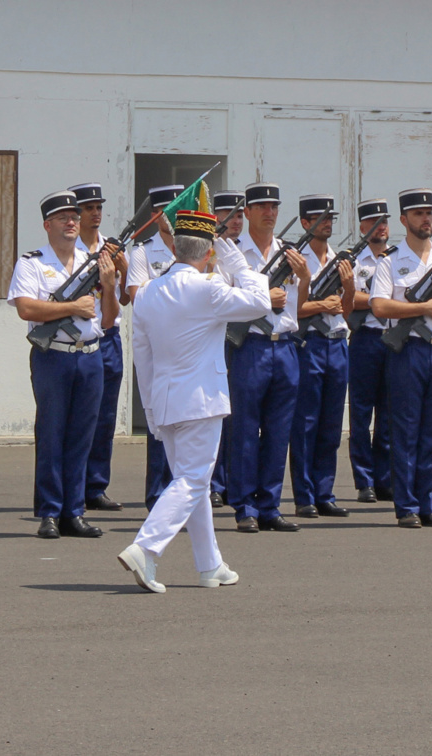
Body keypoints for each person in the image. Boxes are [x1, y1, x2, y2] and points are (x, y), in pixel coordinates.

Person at [118, 210, 272, 593]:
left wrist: (149, 408)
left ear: (175, 248)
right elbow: (261, 302)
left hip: (165, 400)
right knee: (192, 480)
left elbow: (142, 355)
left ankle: (210, 565)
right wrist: (238, 264)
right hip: (201, 401)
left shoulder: (148, 292)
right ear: (208, 253)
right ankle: (145, 547)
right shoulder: (208, 289)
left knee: (194, 482)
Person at [8, 191, 118, 538]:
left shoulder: (93, 262)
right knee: (52, 434)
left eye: (74, 217)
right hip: (53, 356)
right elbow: (26, 308)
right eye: (63, 218)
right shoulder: (32, 263)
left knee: (83, 436)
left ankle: (74, 511)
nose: (71, 222)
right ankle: (50, 512)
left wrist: (109, 286)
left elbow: (109, 320)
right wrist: (71, 308)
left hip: (90, 356)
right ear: (47, 225)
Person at [369, 188, 432, 529]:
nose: (426, 219)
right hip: (409, 350)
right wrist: (422, 307)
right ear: (404, 219)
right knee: (406, 430)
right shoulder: (390, 261)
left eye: (428, 213)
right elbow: (380, 306)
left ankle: (427, 503)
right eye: (418, 214)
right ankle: (406, 505)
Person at [225, 182, 310, 533]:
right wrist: (261, 299)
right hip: (250, 346)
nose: (269, 212)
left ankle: (270, 505)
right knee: (245, 429)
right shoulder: (232, 253)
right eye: (261, 206)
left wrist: (304, 277)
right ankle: (245, 506)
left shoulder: (289, 253)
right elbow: (222, 300)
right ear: (246, 212)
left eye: (273, 206)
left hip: (285, 346)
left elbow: (299, 306)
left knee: (279, 430)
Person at [290, 194, 353, 519]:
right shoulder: (296, 260)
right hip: (310, 343)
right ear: (305, 222)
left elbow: (347, 308)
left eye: (330, 218)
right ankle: (304, 496)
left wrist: (349, 285)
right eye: (320, 218)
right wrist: (320, 305)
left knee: (331, 423)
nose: (327, 223)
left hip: (337, 343)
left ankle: (324, 493)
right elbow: (291, 309)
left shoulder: (338, 258)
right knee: (306, 423)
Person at [126, 184, 183, 509]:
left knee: (187, 420)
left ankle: (183, 495)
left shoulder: (192, 247)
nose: (171, 217)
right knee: (158, 418)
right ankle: (158, 497)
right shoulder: (143, 252)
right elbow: (137, 296)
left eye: (176, 210)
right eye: (165, 211)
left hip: (188, 346)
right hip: (157, 348)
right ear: (154, 216)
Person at [73, 182, 128, 513]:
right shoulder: (72, 251)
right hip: (81, 336)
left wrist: (122, 267)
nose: (95, 214)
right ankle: (74, 486)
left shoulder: (111, 248)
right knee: (81, 418)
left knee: (105, 417)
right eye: (88, 208)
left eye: (98, 208)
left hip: (109, 338)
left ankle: (96, 486)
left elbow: (125, 298)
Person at [347, 199, 395, 504]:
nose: (381, 227)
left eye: (384, 222)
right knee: (361, 413)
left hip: (393, 339)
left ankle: (385, 478)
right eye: (374, 223)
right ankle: (364, 480)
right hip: (365, 339)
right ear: (363, 227)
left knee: (389, 413)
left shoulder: (397, 258)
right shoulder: (354, 260)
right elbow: (349, 298)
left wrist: (375, 299)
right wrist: (382, 299)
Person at [209, 189, 246, 509]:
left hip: (244, 341)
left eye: (240, 215)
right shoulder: (210, 251)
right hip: (218, 339)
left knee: (239, 416)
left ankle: (234, 481)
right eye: (229, 215)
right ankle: (215, 483)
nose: (236, 221)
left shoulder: (245, 252)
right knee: (217, 413)